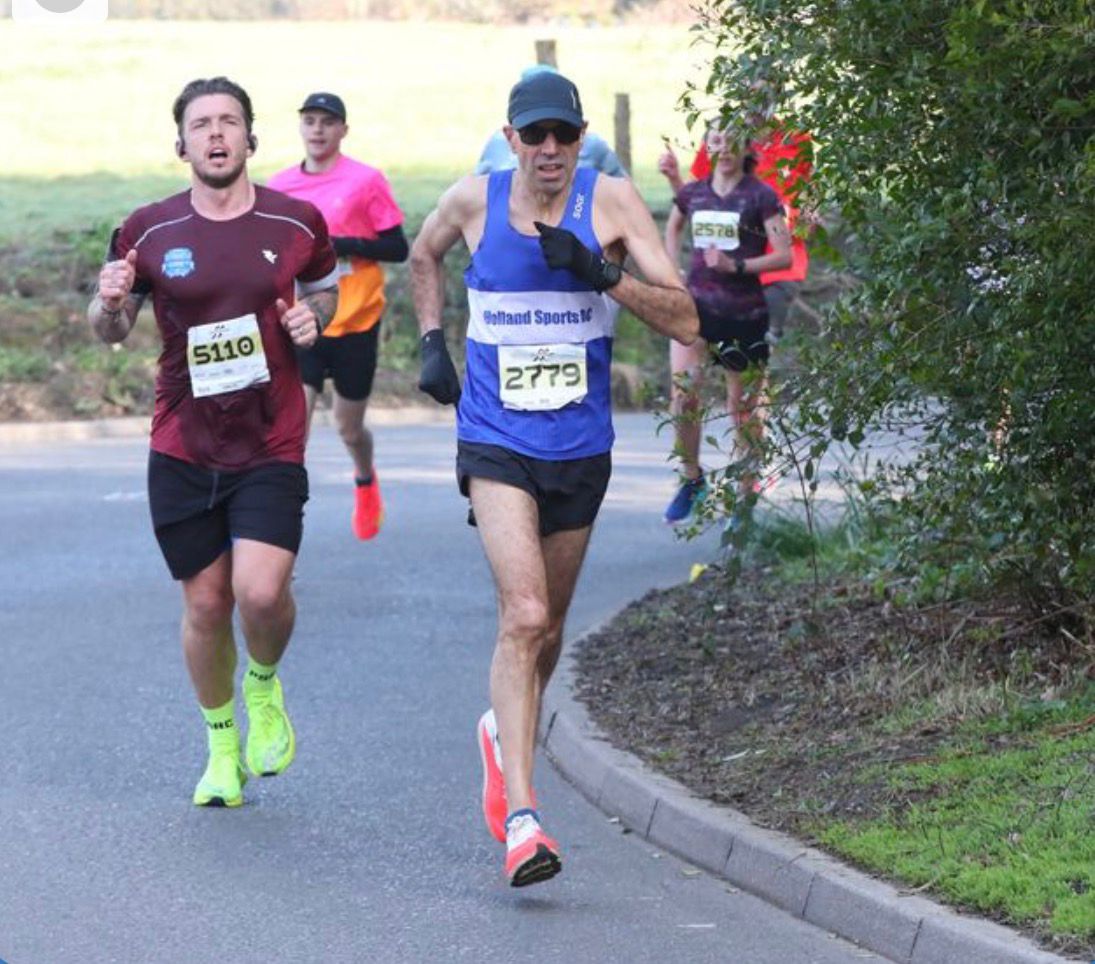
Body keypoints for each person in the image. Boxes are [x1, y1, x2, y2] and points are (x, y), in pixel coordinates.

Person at [410, 69, 698, 887]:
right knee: (525, 613)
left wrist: (603, 275)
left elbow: (686, 319)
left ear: (580, 138)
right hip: (495, 439)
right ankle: (523, 819)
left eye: (561, 135)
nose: (547, 149)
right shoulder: (473, 199)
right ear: (510, 139)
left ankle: (500, 733)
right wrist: (432, 342)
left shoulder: (611, 205)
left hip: (578, 446)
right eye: (532, 134)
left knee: (550, 628)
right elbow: (422, 254)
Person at [88, 77, 340, 809]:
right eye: (201, 124)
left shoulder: (296, 221)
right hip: (183, 442)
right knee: (204, 604)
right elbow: (110, 330)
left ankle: (262, 684)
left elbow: (326, 288)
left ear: (251, 138)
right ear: (182, 144)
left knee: (259, 592)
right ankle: (222, 747)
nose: (217, 134)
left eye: (230, 121)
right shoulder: (147, 231)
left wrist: (315, 319)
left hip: (270, 436)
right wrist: (108, 303)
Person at [268, 92, 408, 541]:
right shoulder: (279, 186)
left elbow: (398, 247)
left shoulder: (366, 180)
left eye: (327, 122)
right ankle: (277, 533)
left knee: (348, 427)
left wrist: (345, 245)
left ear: (343, 130)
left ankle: (365, 479)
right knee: (295, 430)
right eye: (309, 120)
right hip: (304, 320)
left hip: (356, 320)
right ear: (300, 127)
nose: (317, 130)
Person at [661, 120, 793, 527]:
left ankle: (746, 497)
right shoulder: (694, 193)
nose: (725, 147)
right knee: (683, 395)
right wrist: (672, 272)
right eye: (717, 139)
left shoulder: (761, 195)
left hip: (744, 314)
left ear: (745, 147)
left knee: (743, 410)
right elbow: (673, 226)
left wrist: (736, 265)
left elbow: (784, 254)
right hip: (696, 312)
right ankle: (691, 479)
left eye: (733, 140)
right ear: (709, 146)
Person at [659, 118, 812, 342]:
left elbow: (809, 202)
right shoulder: (719, 135)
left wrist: (803, 221)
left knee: (755, 350)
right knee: (691, 352)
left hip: (773, 275)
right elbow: (695, 203)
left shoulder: (795, 143)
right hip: (709, 282)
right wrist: (675, 179)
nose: (725, 148)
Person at [474, 65, 628, 178]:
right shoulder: (497, 143)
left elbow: (621, 184)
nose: (551, 149)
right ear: (510, 137)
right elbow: (480, 187)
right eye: (533, 134)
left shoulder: (593, 145)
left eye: (565, 133)